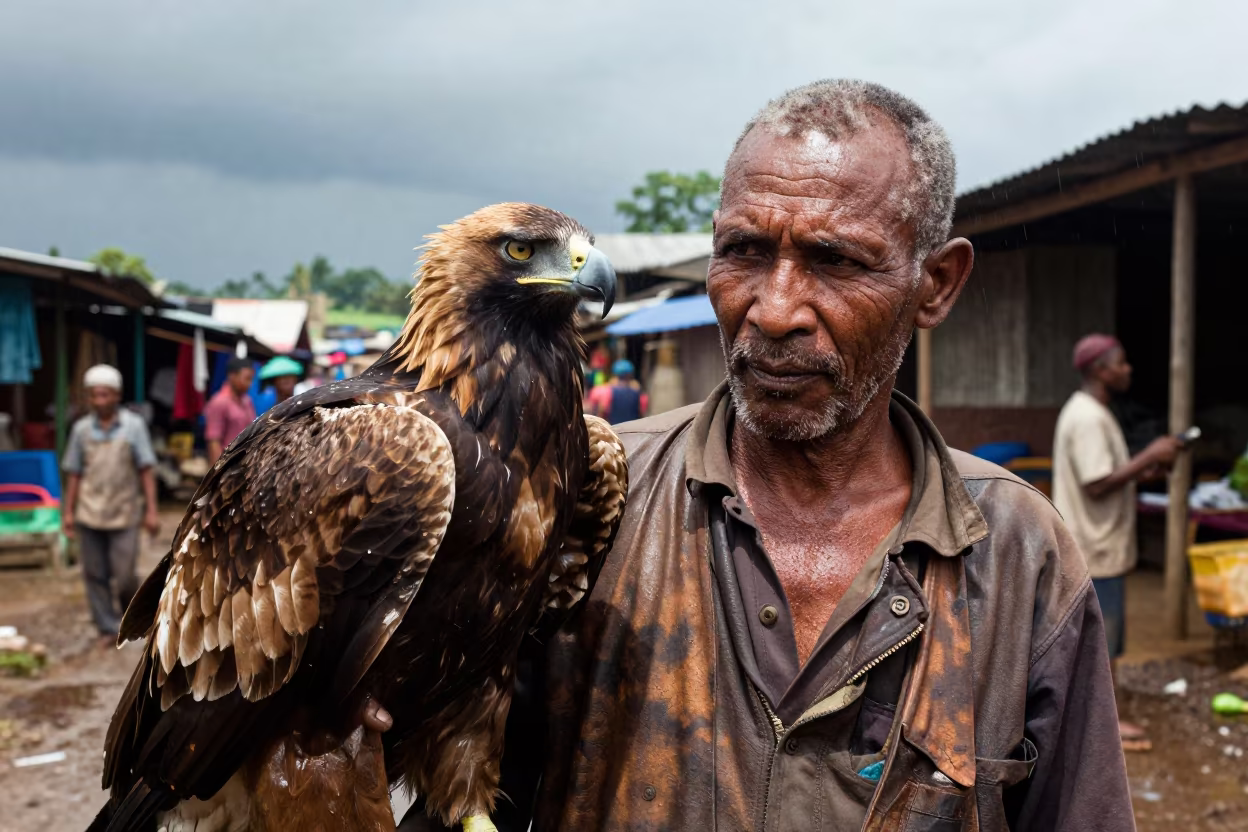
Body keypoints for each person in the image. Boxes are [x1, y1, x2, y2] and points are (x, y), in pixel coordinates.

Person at [402, 80, 1133, 832]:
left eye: (836, 261)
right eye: (743, 252)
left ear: (935, 285)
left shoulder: (1019, 554)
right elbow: (456, 786)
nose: (775, 310)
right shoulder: (581, 494)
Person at [1053, 333, 1182, 751]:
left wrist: (1144, 471)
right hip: (1096, 547)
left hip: (1099, 543)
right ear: (1101, 371)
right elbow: (1096, 484)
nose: (1128, 370)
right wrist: (1151, 453)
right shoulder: (1089, 417)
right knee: (1103, 639)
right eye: (1121, 363)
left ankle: (1098, 718)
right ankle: (1104, 725)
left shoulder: (1092, 412)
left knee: (1103, 637)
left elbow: (1108, 477)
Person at [61, 364, 159, 647]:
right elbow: (74, 472)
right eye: (94, 395)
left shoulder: (133, 426)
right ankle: (107, 628)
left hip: (124, 511)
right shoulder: (80, 430)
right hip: (89, 512)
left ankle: (133, 616)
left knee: (125, 574)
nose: (99, 401)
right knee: (94, 574)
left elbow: (146, 469)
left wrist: (151, 510)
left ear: (116, 396)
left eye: (105, 395)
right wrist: (68, 512)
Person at [203, 356, 256, 464]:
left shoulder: (247, 401)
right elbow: (214, 440)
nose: (249, 384)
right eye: (246, 379)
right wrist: (218, 473)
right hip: (228, 465)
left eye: (251, 379)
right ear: (232, 376)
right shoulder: (219, 402)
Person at [586, 359, 648, 424]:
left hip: (613, 428)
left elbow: (602, 410)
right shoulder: (638, 392)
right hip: (632, 429)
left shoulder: (605, 390)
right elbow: (642, 412)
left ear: (614, 374)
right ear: (630, 375)